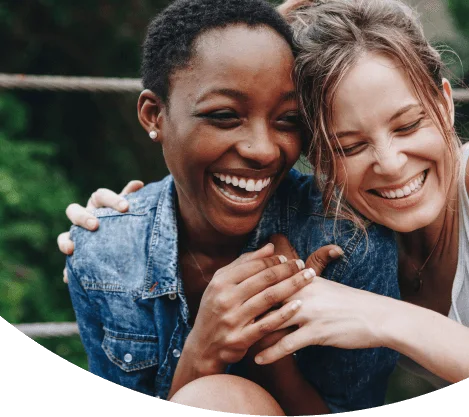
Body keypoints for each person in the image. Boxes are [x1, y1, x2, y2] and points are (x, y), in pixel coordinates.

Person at [60, 0, 400, 414]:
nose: (262, 149)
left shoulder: (348, 241)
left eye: (288, 120)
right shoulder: (103, 254)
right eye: (224, 115)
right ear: (154, 115)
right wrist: (203, 351)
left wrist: (272, 346)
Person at [243, 0, 469, 387]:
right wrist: (128, 216)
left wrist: (383, 317)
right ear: (318, 160)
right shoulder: (338, 233)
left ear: (444, 104)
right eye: (349, 147)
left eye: (408, 125)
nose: (392, 164)